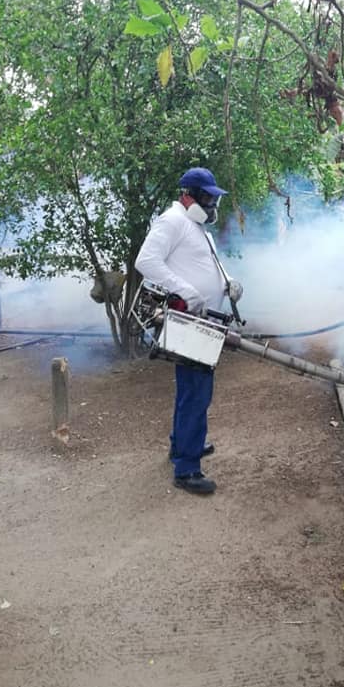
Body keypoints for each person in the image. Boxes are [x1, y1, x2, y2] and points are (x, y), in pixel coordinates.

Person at [135, 167, 242, 496]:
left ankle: (181, 444)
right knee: (196, 392)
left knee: (191, 389)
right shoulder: (172, 221)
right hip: (189, 321)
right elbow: (146, 261)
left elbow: (205, 265)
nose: (212, 204)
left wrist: (228, 282)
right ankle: (187, 469)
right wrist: (184, 290)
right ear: (188, 195)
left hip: (202, 321)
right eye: (207, 197)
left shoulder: (195, 227)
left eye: (213, 198)